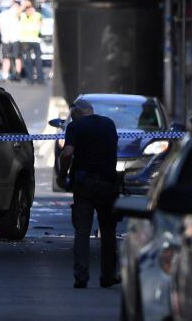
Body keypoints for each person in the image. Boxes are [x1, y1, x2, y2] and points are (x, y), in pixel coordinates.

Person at [58, 100, 120, 289]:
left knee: (82, 231)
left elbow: (67, 153)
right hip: (108, 183)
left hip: (84, 184)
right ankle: (108, 275)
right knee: (108, 231)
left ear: (76, 113)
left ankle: (81, 276)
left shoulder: (74, 127)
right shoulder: (109, 123)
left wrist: (62, 175)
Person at [18, 0, 44, 84]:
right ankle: (31, 79)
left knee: (38, 60)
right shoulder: (23, 15)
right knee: (28, 60)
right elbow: (16, 14)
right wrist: (23, 6)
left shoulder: (37, 15)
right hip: (26, 40)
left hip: (34, 40)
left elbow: (40, 24)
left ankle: (39, 79)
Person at [0, 0, 22, 81]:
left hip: (5, 38)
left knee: (6, 58)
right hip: (15, 38)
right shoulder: (18, 13)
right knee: (17, 57)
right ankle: (18, 74)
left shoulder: (3, 14)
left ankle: (5, 74)